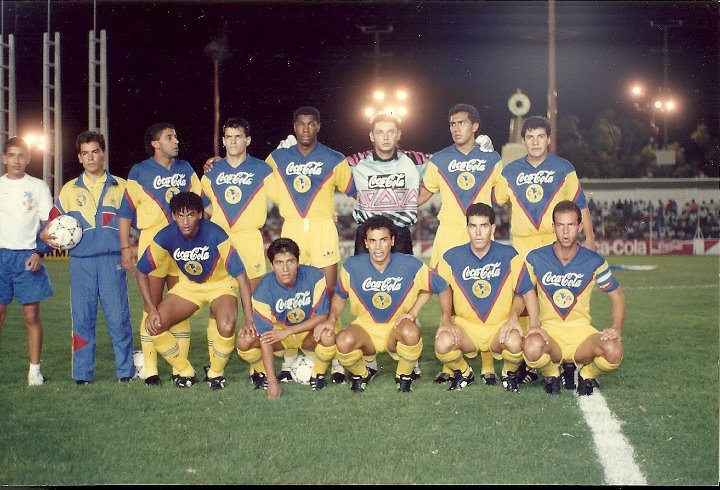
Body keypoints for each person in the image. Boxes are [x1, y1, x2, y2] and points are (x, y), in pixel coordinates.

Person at [493, 115, 596, 384]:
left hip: (555, 243)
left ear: (549, 139)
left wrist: (590, 240)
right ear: (523, 141)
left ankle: (564, 357)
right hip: (523, 245)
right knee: (523, 299)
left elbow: (580, 204)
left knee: (558, 297)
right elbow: (498, 199)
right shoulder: (510, 171)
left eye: (540, 136)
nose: (535, 142)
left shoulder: (563, 168)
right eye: (530, 137)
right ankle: (527, 360)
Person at [313, 215, 449, 393]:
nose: (378, 247)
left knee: (411, 331)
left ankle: (403, 376)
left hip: (396, 328)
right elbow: (340, 294)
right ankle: (362, 374)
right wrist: (331, 320)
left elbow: (441, 286)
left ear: (392, 241)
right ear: (366, 243)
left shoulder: (411, 264)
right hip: (366, 328)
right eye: (373, 241)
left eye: (383, 240)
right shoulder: (352, 266)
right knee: (343, 341)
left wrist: (428, 316)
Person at [417, 103, 503, 384]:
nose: (456, 128)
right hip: (449, 233)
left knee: (484, 291)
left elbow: (502, 195)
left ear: (475, 126)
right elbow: (423, 193)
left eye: (462, 123)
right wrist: (388, 204)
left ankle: (488, 363)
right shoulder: (440, 159)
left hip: (480, 232)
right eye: (452, 123)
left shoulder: (492, 159)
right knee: (447, 294)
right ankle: (450, 362)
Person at [265, 106, 351, 384]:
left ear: (318, 126)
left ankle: (335, 358)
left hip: (323, 228)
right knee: (290, 290)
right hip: (292, 227)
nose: (305, 128)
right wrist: (216, 161)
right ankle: (290, 359)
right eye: (301, 123)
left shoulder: (334, 158)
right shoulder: (277, 158)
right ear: (294, 127)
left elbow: (355, 188)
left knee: (328, 292)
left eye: (311, 123)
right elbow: (250, 172)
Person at [40, 131, 135, 384]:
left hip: (112, 261)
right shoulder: (69, 190)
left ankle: (126, 372)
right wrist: (42, 239)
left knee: (119, 318)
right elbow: (51, 225)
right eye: (85, 153)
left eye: (95, 152)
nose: (91, 157)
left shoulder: (121, 186)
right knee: (82, 319)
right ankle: (82, 374)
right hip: (81, 263)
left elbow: (139, 221)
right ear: (79, 158)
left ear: (103, 154)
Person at [134, 191, 253, 390]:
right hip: (189, 286)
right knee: (154, 325)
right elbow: (141, 271)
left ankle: (215, 373)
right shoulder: (165, 236)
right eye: (180, 215)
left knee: (226, 325)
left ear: (200, 214)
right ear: (173, 216)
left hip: (221, 284)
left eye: (190, 215)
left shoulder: (216, 234)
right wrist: (151, 308)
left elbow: (241, 277)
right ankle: (185, 370)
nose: (185, 221)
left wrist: (249, 320)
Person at [118, 122, 204, 385]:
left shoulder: (185, 169)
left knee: (180, 305)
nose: (176, 141)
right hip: (152, 243)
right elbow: (125, 212)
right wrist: (125, 246)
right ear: (155, 144)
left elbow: (202, 204)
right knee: (151, 306)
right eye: (169, 137)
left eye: (175, 136)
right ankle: (151, 369)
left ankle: (180, 369)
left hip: (183, 244)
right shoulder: (139, 171)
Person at [434, 203, 540, 392]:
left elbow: (526, 290)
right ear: (467, 228)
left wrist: (525, 322)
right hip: (467, 328)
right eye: (473, 226)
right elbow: (442, 289)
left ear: (492, 228)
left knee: (515, 342)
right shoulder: (451, 257)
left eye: (483, 226)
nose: (478, 233)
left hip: (499, 328)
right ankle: (464, 373)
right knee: (442, 343)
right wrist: (446, 320)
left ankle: (508, 373)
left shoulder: (509, 255)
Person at [523, 200, 625, 395]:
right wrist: (517, 319)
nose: (565, 231)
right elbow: (523, 293)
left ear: (579, 227)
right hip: (549, 334)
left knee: (614, 350)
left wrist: (616, 328)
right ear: (553, 227)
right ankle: (552, 373)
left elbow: (617, 296)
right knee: (531, 347)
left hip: (581, 335)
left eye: (570, 225)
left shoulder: (593, 260)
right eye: (560, 225)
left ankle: (587, 374)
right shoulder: (535, 258)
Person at [201, 117, 274, 370]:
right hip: (220, 242)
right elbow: (202, 204)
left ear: (248, 140)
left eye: (238, 137)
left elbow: (284, 195)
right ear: (223, 141)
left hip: (249, 240)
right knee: (217, 306)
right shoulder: (212, 172)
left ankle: (257, 366)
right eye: (229, 137)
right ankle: (215, 364)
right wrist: (219, 218)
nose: (233, 142)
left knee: (255, 304)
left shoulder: (263, 170)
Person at [236, 238, 332, 399]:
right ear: (272, 265)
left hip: (307, 333)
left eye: (290, 262)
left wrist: (288, 331)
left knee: (328, 335)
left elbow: (322, 315)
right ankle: (263, 374)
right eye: (279, 263)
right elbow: (265, 337)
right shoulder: (262, 290)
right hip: (279, 337)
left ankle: (318, 374)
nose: (285, 269)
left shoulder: (314, 276)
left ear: (298, 262)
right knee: (244, 341)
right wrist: (273, 382)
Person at [0, 136, 54, 386]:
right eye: (11, 155)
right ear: (4, 158)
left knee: (31, 315)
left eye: (21, 155)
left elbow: (49, 225)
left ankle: (34, 370)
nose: (16, 160)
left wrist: (40, 253)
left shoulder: (38, 186)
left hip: (28, 256)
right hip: (1, 255)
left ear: (28, 158)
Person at [346, 113, 429, 255]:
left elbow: (441, 167)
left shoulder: (416, 160)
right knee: (363, 271)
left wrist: (409, 203)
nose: (385, 137)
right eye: (380, 132)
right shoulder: (355, 162)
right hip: (368, 232)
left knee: (403, 270)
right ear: (372, 136)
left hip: (400, 233)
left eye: (390, 132)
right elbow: (331, 174)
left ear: (398, 134)